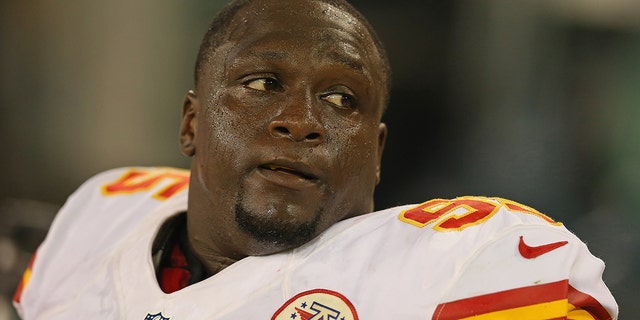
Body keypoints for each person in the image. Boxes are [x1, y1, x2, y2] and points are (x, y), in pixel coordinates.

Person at [13, 0, 618, 319]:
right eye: (261, 84)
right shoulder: (104, 216)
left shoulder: (444, 273)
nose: (300, 121)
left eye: (340, 99)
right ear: (191, 124)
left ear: (376, 153)